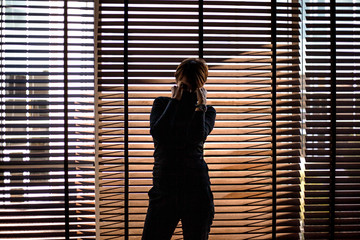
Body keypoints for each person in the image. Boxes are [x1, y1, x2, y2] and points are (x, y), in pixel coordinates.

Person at [141, 58, 216, 240]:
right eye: (184, 85)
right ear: (176, 81)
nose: (189, 90)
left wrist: (200, 107)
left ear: (201, 85)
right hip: (164, 189)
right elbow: (158, 133)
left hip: (196, 190)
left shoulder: (207, 111)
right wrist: (174, 101)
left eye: (193, 86)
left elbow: (196, 137)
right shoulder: (161, 104)